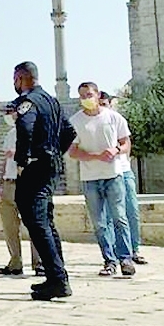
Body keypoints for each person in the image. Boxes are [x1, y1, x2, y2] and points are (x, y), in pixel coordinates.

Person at [11, 61, 76, 301]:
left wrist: (22, 160)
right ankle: (57, 276)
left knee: (36, 222)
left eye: (15, 78)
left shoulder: (28, 102)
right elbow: (69, 132)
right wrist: (56, 153)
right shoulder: (51, 100)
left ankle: (58, 279)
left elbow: (26, 130)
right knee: (46, 221)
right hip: (50, 167)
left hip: (36, 169)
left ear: (22, 78)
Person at [68, 81, 136, 278]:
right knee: (99, 222)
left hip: (113, 174)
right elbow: (72, 150)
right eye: (82, 96)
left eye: (89, 94)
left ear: (98, 95)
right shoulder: (75, 121)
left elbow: (125, 143)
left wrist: (115, 150)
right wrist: (93, 156)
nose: (86, 99)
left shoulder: (114, 118)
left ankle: (126, 258)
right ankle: (109, 260)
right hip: (90, 177)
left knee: (119, 217)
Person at [99, 92, 148, 265]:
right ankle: (114, 252)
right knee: (110, 216)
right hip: (105, 173)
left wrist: (118, 152)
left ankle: (134, 249)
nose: (102, 106)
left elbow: (127, 144)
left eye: (104, 103)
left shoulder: (117, 119)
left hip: (123, 170)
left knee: (131, 211)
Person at [0, 102, 42, 277]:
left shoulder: (33, 131)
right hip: (9, 182)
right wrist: (0, 184)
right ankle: (15, 262)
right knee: (9, 226)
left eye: (10, 112)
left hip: (26, 181)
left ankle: (39, 263)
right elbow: (5, 161)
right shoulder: (10, 133)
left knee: (33, 225)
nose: (8, 115)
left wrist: (16, 154)